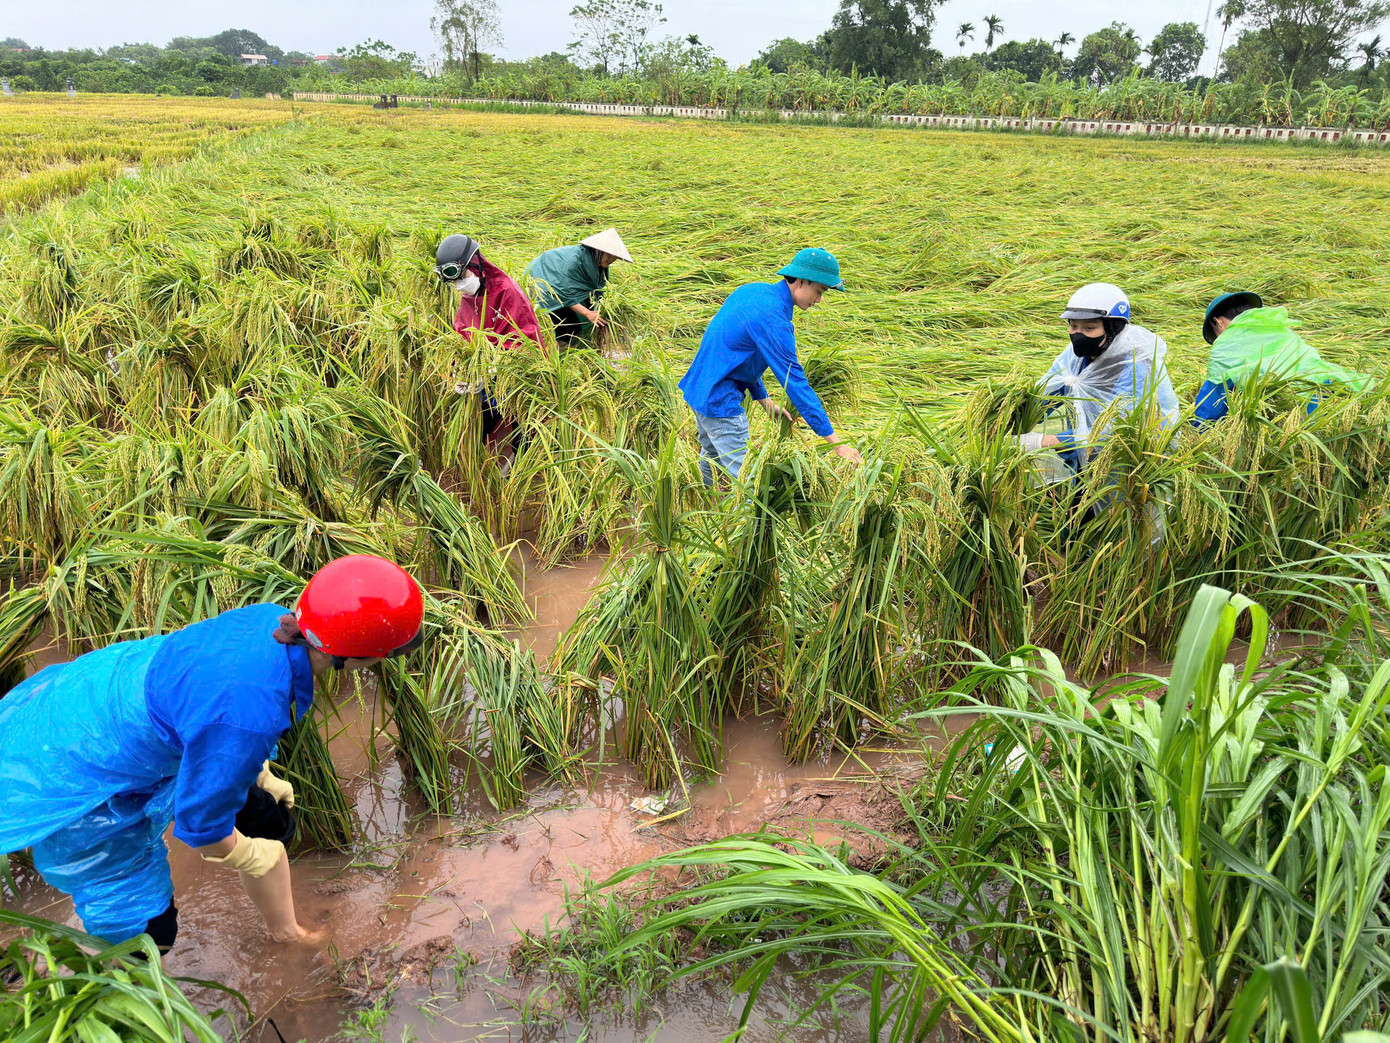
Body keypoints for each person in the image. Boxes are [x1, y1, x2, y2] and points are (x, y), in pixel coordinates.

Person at [0, 555, 424, 953]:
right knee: (147, 936)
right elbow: (200, 824)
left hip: (111, 696)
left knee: (271, 821)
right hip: (74, 760)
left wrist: (258, 774)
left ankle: (283, 932)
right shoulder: (246, 711)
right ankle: (98, 966)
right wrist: (248, 854)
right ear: (358, 656)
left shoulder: (271, 619)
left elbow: (213, 702)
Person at [678, 247, 863, 486]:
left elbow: (742, 354)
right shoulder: (773, 318)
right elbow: (796, 384)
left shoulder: (753, 291)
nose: (818, 300)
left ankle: (705, 506)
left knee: (713, 457)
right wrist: (836, 444)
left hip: (700, 390)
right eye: (819, 291)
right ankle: (744, 522)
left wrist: (764, 400)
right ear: (802, 281)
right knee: (750, 483)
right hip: (719, 401)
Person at [1020, 283, 1180, 472]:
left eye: (1089, 328)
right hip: (1081, 459)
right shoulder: (1073, 358)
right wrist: (1014, 417)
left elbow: (1119, 432)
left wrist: (1044, 441)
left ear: (1113, 329)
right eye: (1073, 326)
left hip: (1126, 469)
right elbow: (1046, 394)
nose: (1078, 335)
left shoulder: (1136, 366)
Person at [436, 233, 542, 472]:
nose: (460, 285)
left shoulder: (507, 292)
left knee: (520, 428)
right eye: (455, 282)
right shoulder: (470, 295)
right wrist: (461, 369)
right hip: (485, 379)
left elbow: (525, 342)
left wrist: (493, 366)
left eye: (462, 277)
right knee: (479, 426)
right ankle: (476, 472)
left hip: (515, 377)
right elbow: (462, 333)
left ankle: (516, 476)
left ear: (475, 265)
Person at [1192, 291, 1369, 426]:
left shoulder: (1227, 344)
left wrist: (1197, 432)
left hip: (1285, 426)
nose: (1219, 337)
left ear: (1218, 322)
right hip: (1326, 413)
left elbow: (1212, 401)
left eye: (1216, 333)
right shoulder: (1283, 332)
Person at [524, 228, 633, 348]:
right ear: (599, 250)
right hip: (544, 284)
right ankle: (552, 356)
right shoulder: (574, 262)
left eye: (616, 257)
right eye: (610, 255)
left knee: (578, 329)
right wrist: (587, 313)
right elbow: (564, 295)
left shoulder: (598, 264)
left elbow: (594, 292)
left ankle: (563, 351)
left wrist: (601, 316)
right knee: (567, 329)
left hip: (562, 288)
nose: (612, 259)